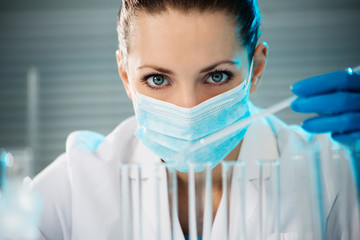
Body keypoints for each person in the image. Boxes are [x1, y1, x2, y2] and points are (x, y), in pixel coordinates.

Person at [32, 0, 360, 239]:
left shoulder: (332, 174)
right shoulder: (77, 184)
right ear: (125, 77)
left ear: (255, 70)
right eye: (158, 80)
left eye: (216, 76)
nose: (189, 109)